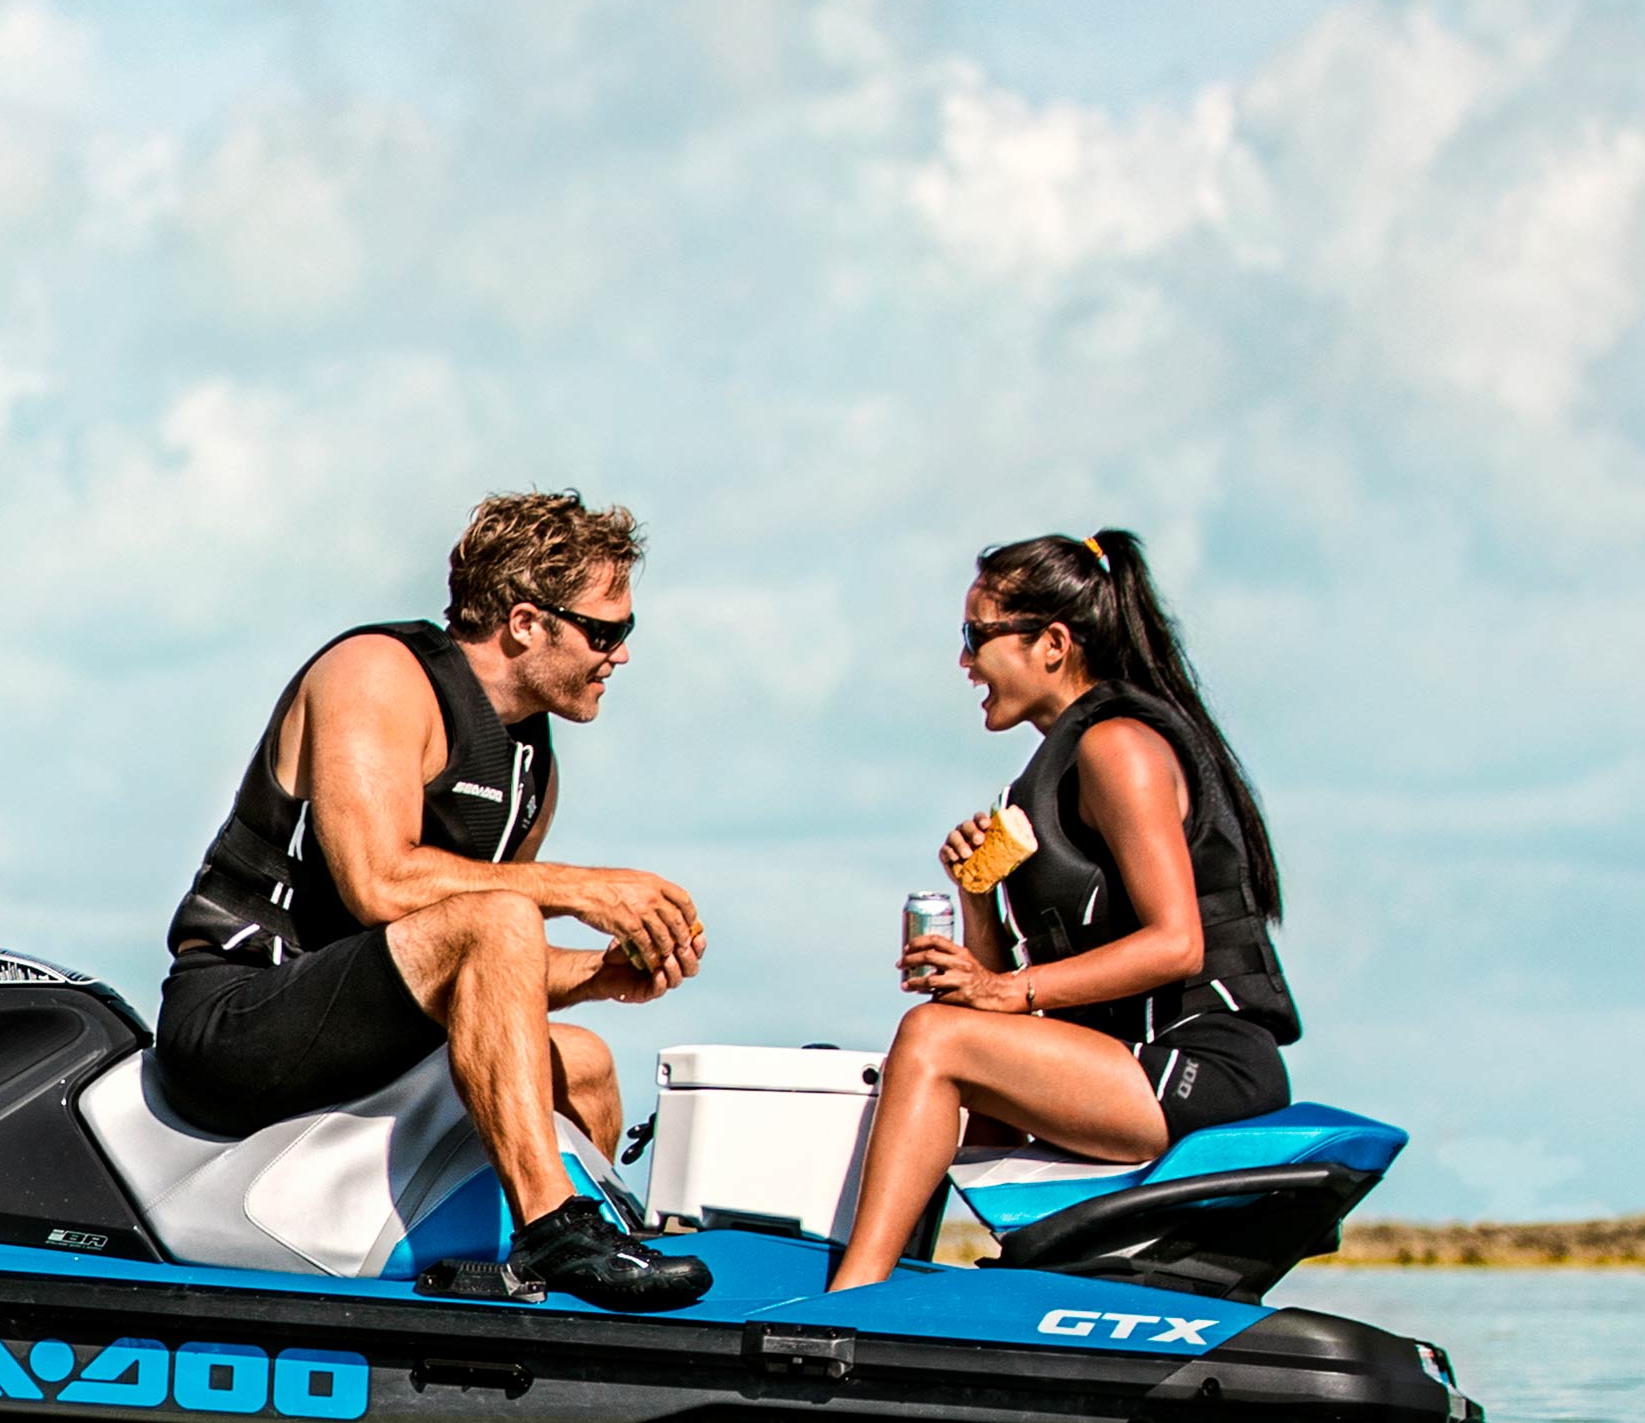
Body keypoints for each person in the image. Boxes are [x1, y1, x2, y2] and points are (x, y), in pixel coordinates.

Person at [160, 490, 714, 1311]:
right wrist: (582, 888)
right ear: (527, 622)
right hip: (236, 1021)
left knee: (588, 1063)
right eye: (607, 631)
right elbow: (380, 883)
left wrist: (601, 974)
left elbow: (487, 972)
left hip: (365, 1030)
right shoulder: (379, 675)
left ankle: (587, 1288)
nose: (621, 654)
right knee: (502, 913)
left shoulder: (533, 760)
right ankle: (553, 1229)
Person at [828, 530, 1299, 1291]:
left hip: (1198, 1064)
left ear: (1051, 643)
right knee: (940, 1056)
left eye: (975, 637)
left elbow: (1177, 944)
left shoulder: (1120, 747)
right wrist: (977, 902)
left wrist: (1003, 993)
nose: (963, 662)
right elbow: (996, 999)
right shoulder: (1049, 774)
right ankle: (951, 1287)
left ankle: (854, 1300)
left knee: (934, 1040)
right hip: (1126, 1064)